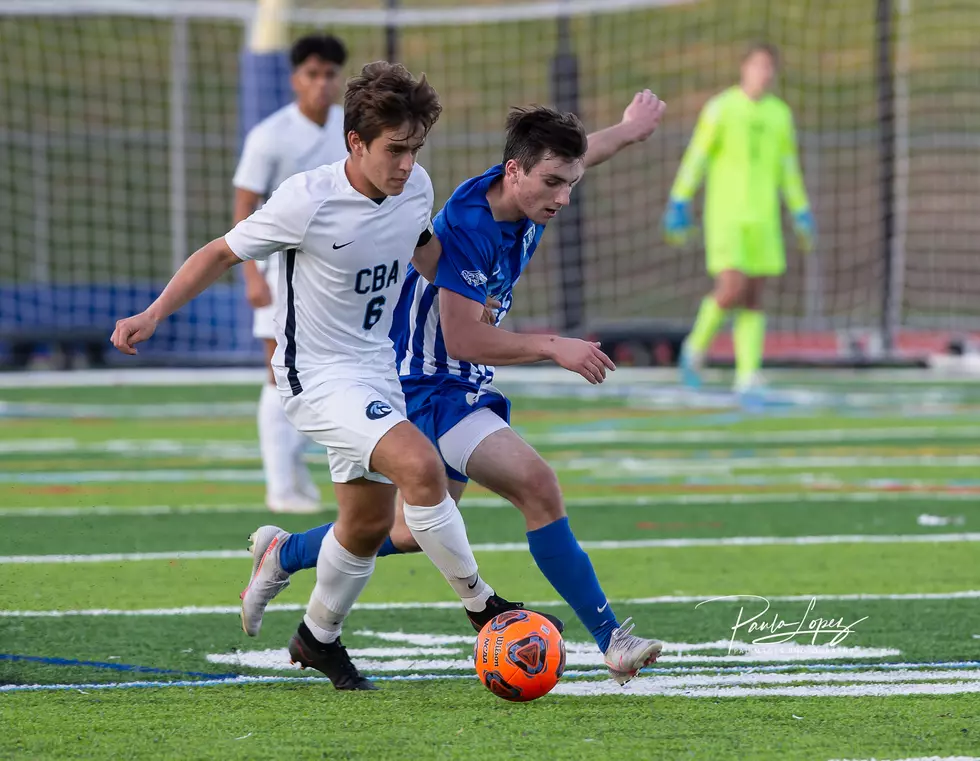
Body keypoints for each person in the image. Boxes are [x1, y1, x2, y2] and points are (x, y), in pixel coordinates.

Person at [112, 62, 557, 691]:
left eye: (415, 149)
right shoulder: (308, 200)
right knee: (422, 468)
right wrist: (153, 313)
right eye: (394, 149)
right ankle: (485, 607)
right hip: (314, 374)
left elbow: (426, 249)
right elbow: (219, 251)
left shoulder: (417, 187)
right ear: (356, 142)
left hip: (377, 368)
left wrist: (473, 290)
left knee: (368, 525)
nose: (405, 164)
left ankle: (316, 636)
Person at [241, 92, 669, 686]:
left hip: (455, 380)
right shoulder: (472, 225)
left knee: (408, 530)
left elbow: (578, 156)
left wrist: (626, 129)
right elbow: (464, 338)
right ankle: (612, 640)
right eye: (552, 184)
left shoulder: (524, 190)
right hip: (427, 380)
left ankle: (285, 555)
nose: (563, 197)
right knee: (537, 486)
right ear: (515, 172)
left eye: (567, 184)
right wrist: (554, 346)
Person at [235, 34, 350, 514]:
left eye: (329, 74)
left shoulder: (351, 128)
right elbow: (245, 202)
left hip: (335, 270)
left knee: (332, 370)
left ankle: (301, 477)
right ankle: (279, 485)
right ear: (294, 79)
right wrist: (251, 277)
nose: (321, 84)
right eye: (312, 74)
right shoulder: (269, 134)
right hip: (279, 267)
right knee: (276, 372)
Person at [663, 42, 814, 404]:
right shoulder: (721, 108)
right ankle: (694, 349)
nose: (763, 73)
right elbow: (697, 155)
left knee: (754, 296)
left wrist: (800, 209)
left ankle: (748, 375)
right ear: (744, 68)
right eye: (757, 65)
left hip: (764, 219)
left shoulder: (780, 114)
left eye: (769, 67)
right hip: (727, 216)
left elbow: (788, 168)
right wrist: (680, 197)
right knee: (731, 287)